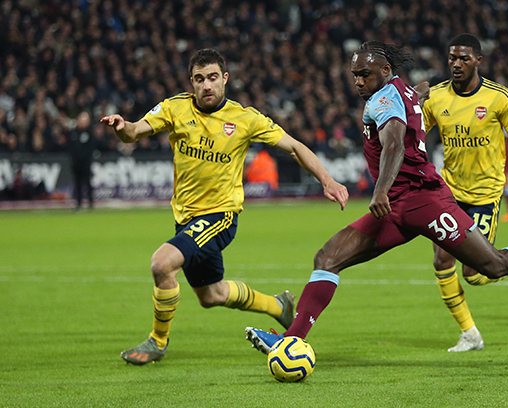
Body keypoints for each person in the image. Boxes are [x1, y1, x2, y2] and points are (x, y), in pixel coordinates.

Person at [244, 41, 508, 355]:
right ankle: (292, 340)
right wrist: (419, 93)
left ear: (385, 71)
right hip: (397, 209)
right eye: (354, 75)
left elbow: (395, 142)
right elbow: (411, 99)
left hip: (423, 202)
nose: (358, 82)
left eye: (365, 74)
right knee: (329, 257)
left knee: (491, 265)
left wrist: (380, 189)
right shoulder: (399, 90)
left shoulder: (383, 100)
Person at [100, 49, 349, 365]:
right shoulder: (175, 108)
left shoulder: (245, 119)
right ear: (191, 82)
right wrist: (121, 126)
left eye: (213, 78)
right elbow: (133, 133)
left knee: (162, 265)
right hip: (186, 219)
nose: (206, 85)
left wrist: (326, 180)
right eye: (200, 79)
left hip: (219, 216)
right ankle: (279, 307)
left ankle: (156, 342)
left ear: (225, 79)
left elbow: (295, 147)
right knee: (211, 296)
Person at [421, 34, 508, 352]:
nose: (456, 64)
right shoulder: (436, 98)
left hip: (485, 195)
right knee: (441, 260)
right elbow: (416, 134)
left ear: (478, 60)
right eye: (452, 58)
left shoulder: (498, 97)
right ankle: (470, 334)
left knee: (475, 273)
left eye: (463, 58)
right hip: (449, 193)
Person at [67, 111, 96, 211]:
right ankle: (78, 203)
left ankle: (90, 203)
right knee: (77, 183)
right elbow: (70, 147)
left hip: (86, 163)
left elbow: (90, 148)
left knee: (87, 183)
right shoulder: (73, 133)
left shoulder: (90, 133)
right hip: (76, 163)